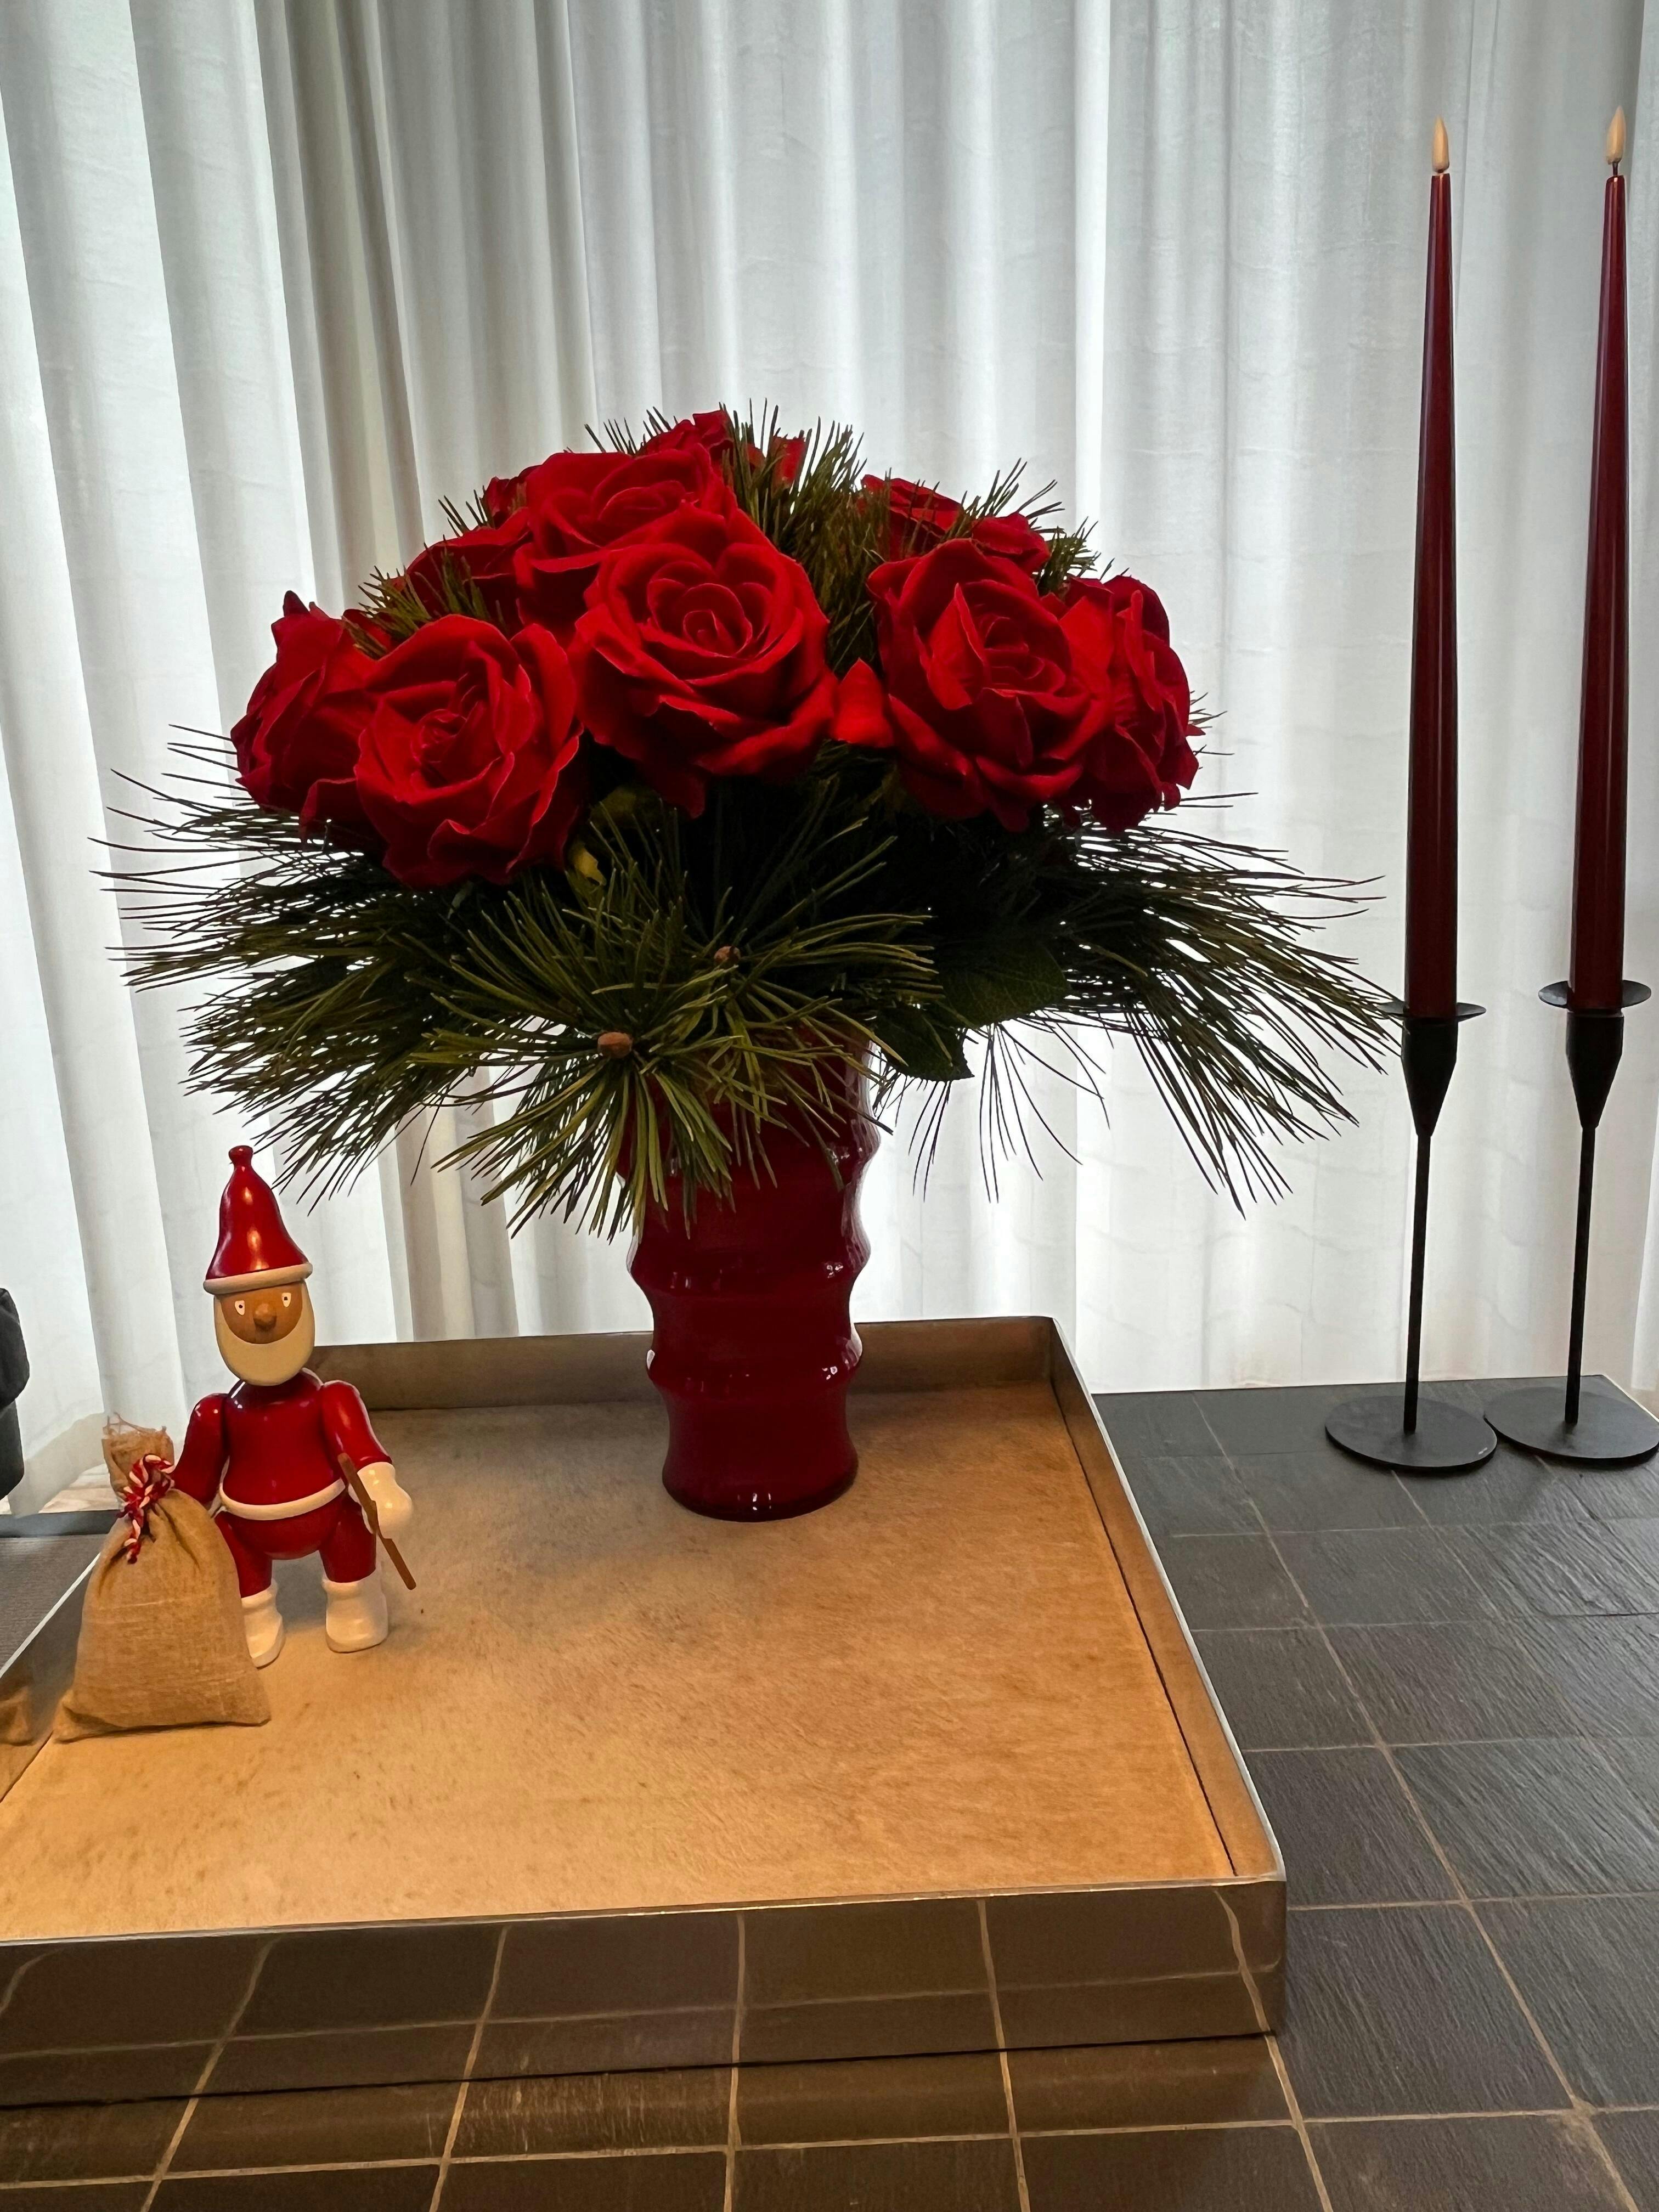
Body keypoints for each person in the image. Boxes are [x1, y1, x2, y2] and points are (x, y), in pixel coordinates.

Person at [170, 1147, 413, 1665]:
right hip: (248, 1523)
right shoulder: (217, 1414)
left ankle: (356, 1600)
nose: (263, 1318)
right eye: (242, 1304)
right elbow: (195, 1484)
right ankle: (254, 1614)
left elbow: (363, 1453)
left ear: (302, 1298)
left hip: (326, 1513)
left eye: (282, 1299)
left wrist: (381, 1488)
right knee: (228, 1538)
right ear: (222, 1311)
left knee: (350, 1526)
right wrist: (166, 1512)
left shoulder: (331, 1398)